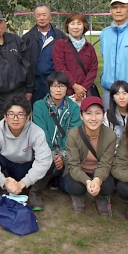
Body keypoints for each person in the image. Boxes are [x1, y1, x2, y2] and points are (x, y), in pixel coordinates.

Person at [0, 94, 51, 204]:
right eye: (11, 114)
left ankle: (34, 192)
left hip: (28, 165)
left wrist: (23, 183)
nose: (15, 119)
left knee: (49, 159)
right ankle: (5, 189)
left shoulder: (36, 132)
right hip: (9, 166)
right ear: (5, 116)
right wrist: (4, 181)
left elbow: (44, 161)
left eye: (20, 115)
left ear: (28, 117)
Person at [31, 72, 81, 210]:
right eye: (54, 86)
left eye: (61, 86)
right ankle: (35, 193)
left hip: (66, 152)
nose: (58, 90)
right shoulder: (39, 106)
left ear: (67, 88)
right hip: (46, 150)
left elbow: (73, 134)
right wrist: (53, 155)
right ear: (49, 88)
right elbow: (41, 133)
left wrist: (63, 156)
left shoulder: (74, 108)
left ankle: (56, 176)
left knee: (67, 188)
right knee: (48, 162)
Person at [64, 96, 116, 216]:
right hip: (80, 170)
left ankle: (102, 197)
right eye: (88, 113)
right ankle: (78, 196)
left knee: (108, 187)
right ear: (82, 116)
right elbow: (73, 165)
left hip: (98, 170)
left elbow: (106, 163)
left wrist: (97, 180)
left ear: (103, 115)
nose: (93, 118)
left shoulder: (110, 135)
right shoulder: (73, 135)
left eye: (98, 113)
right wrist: (88, 181)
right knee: (75, 187)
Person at [22, 3, 66, 103]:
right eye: (38, 15)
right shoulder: (27, 39)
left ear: (50, 16)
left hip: (56, 83)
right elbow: (25, 65)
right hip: (36, 86)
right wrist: (28, 88)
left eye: (44, 15)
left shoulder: (60, 36)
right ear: (34, 17)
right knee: (39, 113)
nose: (41, 18)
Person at [52, 12, 98, 104]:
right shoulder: (60, 45)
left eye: (79, 23)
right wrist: (74, 86)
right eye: (72, 23)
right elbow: (60, 68)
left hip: (85, 93)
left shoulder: (89, 48)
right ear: (67, 26)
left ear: (84, 26)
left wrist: (82, 90)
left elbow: (93, 70)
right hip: (66, 93)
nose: (75, 27)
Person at [103, 80, 128, 150]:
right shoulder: (108, 116)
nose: (121, 97)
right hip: (113, 154)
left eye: (124, 93)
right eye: (117, 94)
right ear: (113, 97)